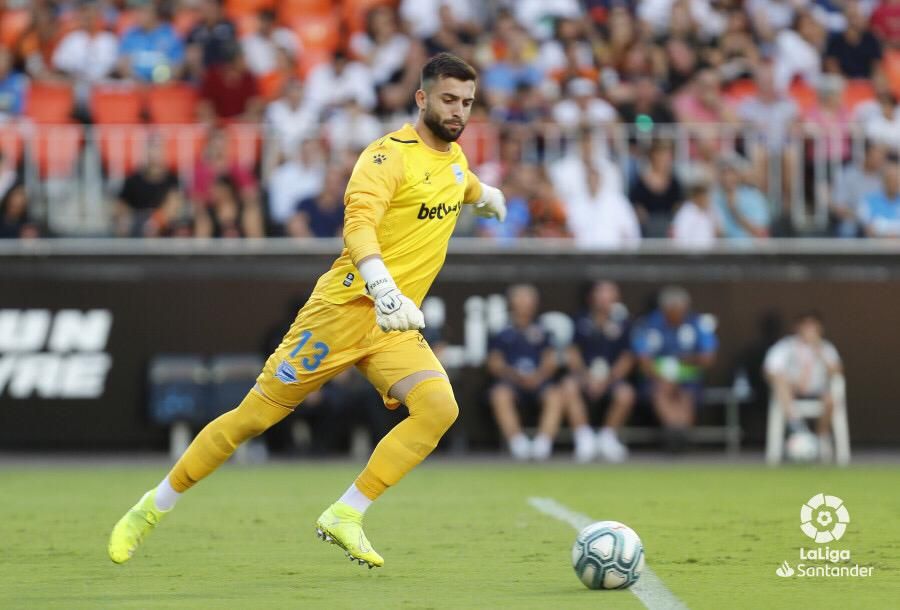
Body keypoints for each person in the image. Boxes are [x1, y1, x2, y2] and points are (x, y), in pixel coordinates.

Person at [108, 52, 507, 569]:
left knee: (439, 409)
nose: (458, 112)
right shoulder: (386, 157)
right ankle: (150, 509)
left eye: (468, 103)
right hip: (344, 310)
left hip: (391, 328)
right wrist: (383, 285)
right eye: (449, 100)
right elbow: (358, 225)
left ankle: (347, 513)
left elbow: (461, 184)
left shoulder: (455, 162)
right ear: (422, 98)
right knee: (250, 421)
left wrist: (488, 195)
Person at [631, 286, 717, 450]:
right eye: (675, 310)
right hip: (657, 379)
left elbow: (708, 358)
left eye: (683, 309)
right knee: (661, 391)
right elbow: (642, 360)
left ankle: (681, 435)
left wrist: (684, 364)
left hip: (689, 378)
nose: (680, 313)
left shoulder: (697, 323)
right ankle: (674, 434)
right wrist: (663, 375)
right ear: (665, 309)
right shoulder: (648, 324)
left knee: (686, 394)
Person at [486, 284, 564, 461]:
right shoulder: (501, 330)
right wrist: (515, 376)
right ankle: (517, 443)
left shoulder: (544, 330)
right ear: (511, 303)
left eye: (528, 299)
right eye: (520, 299)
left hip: (539, 381)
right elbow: (494, 363)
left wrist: (537, 377)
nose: (524, 303)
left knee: (556, 395)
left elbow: (550, 361)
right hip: (511, 381)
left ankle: (543, 444)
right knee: (499, 395)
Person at [560, 281, 636, 463]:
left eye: (609, 294)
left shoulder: (624, 323)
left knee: (626, 394)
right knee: (568, 386)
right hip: (584, 376)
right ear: (591, 297)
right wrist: (586, 377)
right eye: (601, 293)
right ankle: (584, 438)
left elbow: (627, 357)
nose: (604, 298)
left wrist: (607, 380)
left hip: (610, 378)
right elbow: (572, 353)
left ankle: (607, 438)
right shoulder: (579, 320)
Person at [764, 311, 843, 460]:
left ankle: (821, 438)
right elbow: (770, 369)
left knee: (831, 400)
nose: (809, 330)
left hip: (817, 391)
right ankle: (797, 427)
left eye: (813, 326)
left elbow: (836, 371)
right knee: (780, 381)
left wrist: (818, 351)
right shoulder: (786, 346)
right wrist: (788, 380)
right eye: (806, 326)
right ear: (798, 327)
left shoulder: (826, 347)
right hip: (791, 391)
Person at [117, 0, 185, 83]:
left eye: (143, 11)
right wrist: (137, 79)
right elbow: (122, 63)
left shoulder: (171, 34)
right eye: (137, 11)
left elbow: (178, 66)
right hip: (135, 87)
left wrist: (159, 80)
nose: (139, 16)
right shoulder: (130, 35)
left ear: (154, 12)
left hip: (162, 88)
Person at [712, 155, 771, 240]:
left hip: (749, 250)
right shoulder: (713, 198)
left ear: (739, 174)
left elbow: (761, 233)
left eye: (731, 172)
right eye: (723, 173)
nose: (727, 177)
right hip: (721, 251)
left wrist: (735, 211)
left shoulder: (754, 197)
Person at [286, 166, 347, 238]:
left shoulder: (347, 209)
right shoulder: (306, 204)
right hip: (308, 247)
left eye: (338, 183)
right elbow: (295, 226)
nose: (333, 187)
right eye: (330, 182)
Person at [859, 151, 900, 237]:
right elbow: (868, 229)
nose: (894, 183)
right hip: (876, 246)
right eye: (891, 180)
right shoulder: (869, 200)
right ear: (884, 181)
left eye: (896, 180)